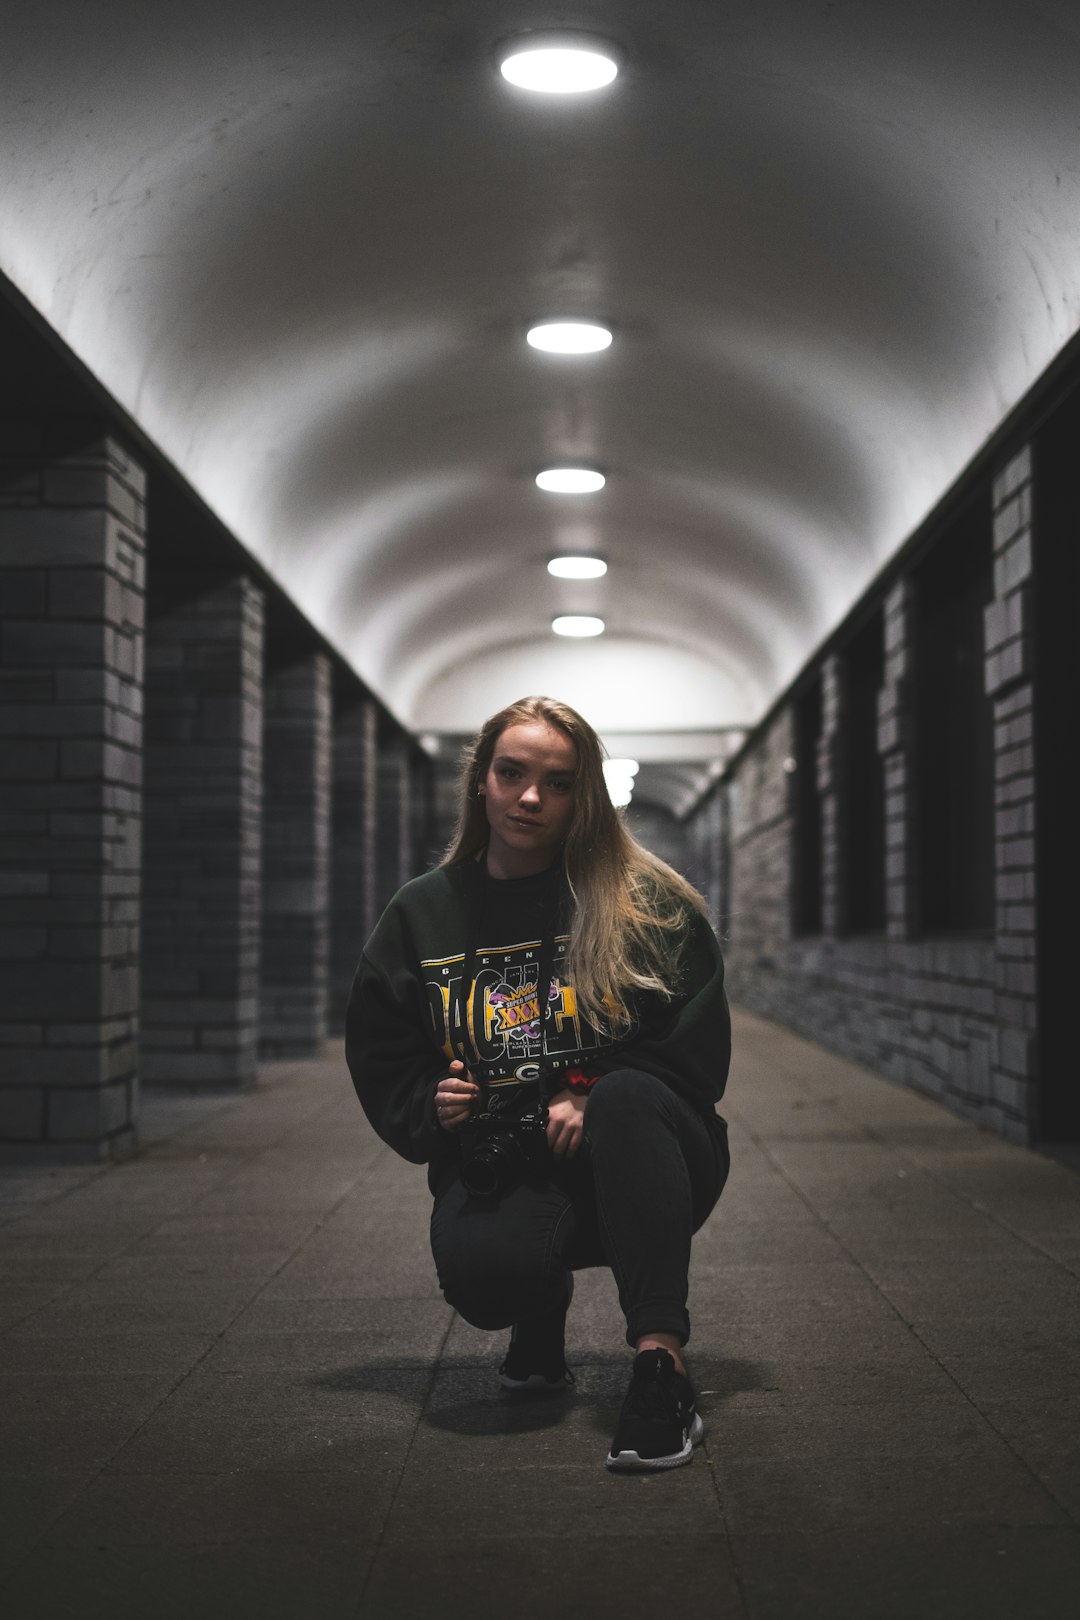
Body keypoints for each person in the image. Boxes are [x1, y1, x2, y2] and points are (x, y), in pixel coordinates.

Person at [345, 695, 731, 1471]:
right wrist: (433, 1103)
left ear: (582, 797)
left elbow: (695, 1048)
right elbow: (385, 1048)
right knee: (487, 1279)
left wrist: (591, 1088)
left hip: (650, 1151)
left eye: (557, 783)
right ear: (480, 782)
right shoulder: (423, 914)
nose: (530, 798)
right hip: (511, 1156)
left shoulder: (644, 905)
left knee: (623, 1098)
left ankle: (662, 1364)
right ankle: (537, 1307)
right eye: (512, 774)